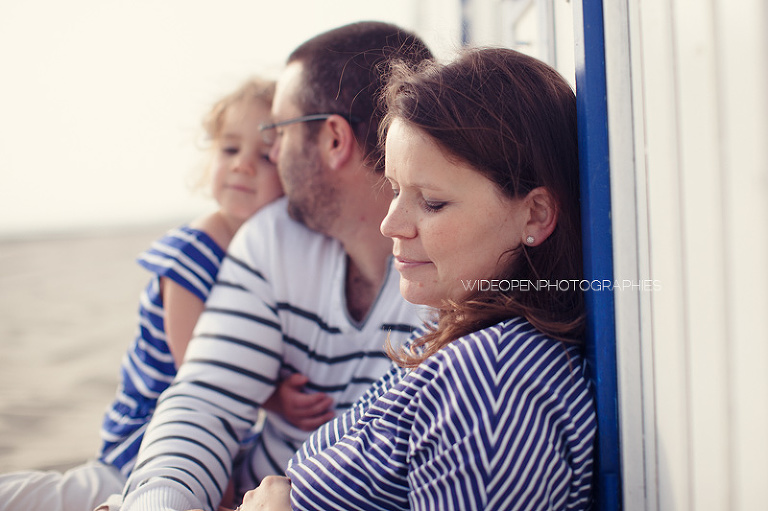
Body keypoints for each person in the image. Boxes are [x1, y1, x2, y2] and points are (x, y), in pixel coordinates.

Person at [239, 47, 598, 510]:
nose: (391, 224)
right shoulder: (465, 345)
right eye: (394, 190)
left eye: (431, 202)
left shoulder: (491, 385)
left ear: (535, 214)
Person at [108, 22, 434, 511]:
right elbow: (204, 402)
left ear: (334, 139)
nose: (274, 154)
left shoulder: (452, 270)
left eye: (278, 133)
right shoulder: (272, 236)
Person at [0, 76, 284, 511]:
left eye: (264, 156)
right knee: (66, 496)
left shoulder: (266, 255)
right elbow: (198, 369)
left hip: (219, 430)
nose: (243, 165)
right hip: (152, 430)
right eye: (230, 149)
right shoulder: (193, 251)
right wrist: (277, 399)